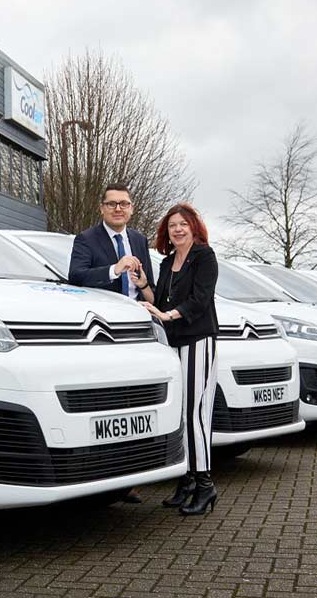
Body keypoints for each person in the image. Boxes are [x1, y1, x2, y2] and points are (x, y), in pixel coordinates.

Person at [68, 183, 156, 504]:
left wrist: (145, 288)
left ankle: (132, 476)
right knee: (111, 405)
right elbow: (76, 277)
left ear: (131, 208)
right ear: (102, 208)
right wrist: (114, 269)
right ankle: (106, 477)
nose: (118, 209)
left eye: (124, 204)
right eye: (112, 204)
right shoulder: (86, 239)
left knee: (138, 405)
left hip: (138, 331)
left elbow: (149, 285)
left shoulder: (139, 240)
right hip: (105, 333)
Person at [134, 203, 219, 515]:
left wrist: (168, 315)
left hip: (199, 339)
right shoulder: (168, 261)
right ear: (166, 232)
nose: (178, 229)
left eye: (183, 224)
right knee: (181, 413)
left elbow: (200, 300)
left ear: (193, 227)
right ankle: (187, 480)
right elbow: (159, 300)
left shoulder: (204, 256)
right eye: (172, 226)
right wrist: (144, 285)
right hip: (174, 343)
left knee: (196, 413)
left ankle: (205, 484)